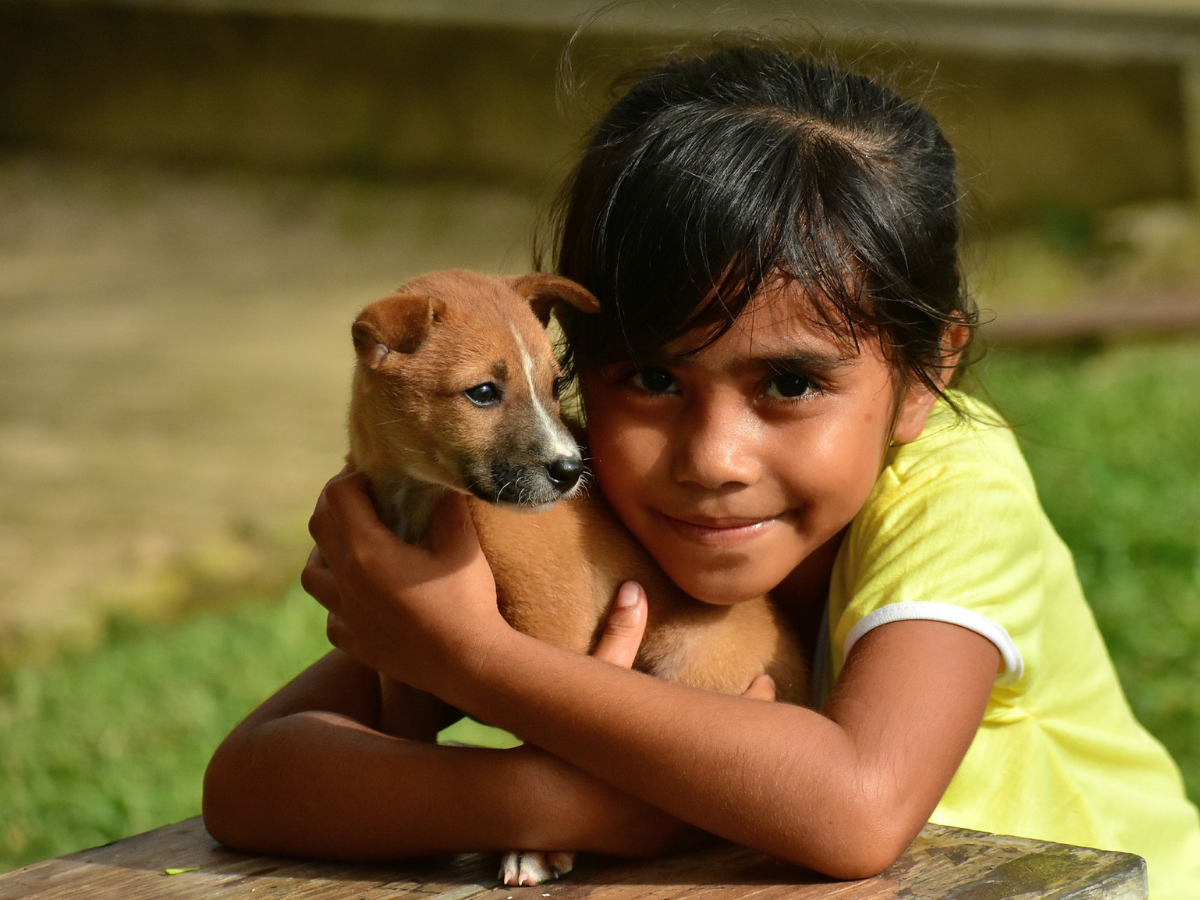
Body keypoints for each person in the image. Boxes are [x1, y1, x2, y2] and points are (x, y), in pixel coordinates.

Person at [203, 41, 1200, 897]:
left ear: (920, 378)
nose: (712, 461)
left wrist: (482, 664)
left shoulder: (957, 487)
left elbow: (858, 808)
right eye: (648, 376)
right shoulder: (587, 497)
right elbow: (247, 785)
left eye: (793, 384)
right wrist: (544, 796)